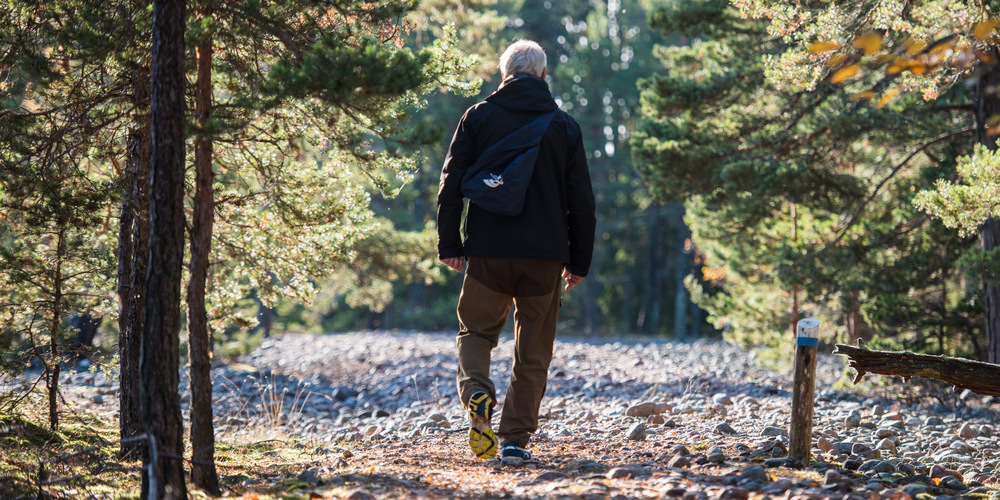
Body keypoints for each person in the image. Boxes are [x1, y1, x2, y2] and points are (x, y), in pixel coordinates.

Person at [436, 39, 596, 465]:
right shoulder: (564, 126)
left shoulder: (478, 117)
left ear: (502, 73)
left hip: (488, 252)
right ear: (543, 76)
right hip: (545, 258)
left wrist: (450, 243)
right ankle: (513, 441)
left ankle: (476, 395)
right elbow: (581, 201)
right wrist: (579, 261)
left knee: (476, 333)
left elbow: (451, 182)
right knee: (532, 354)